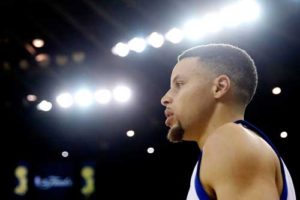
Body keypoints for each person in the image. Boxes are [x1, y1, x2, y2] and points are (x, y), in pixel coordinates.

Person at [160, 44, 296, 200]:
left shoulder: (229, 142)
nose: (165, 98)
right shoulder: (233, 144)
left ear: (219, 87)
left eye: (179, 84)